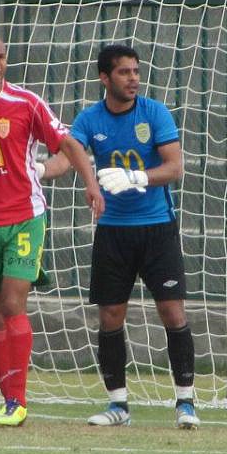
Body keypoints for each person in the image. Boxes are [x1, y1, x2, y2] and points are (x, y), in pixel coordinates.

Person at [0, 34, 104, 427]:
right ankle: (7, 397)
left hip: (24, 216)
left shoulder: (26, 103)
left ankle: (18, 400)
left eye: (1, 56)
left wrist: (90, 183)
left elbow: (69, 143)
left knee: (13, 303)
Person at [42, 43, 200, 429]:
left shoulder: (154, 113)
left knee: (172, 310)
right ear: (104, 78)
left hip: (156, 227)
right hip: (113, 231)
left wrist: (138, 177)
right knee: (110, 315)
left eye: (136, 71)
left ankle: (185, 402)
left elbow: (175, 167)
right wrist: (38, 170)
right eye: (124, 72)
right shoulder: (90, 119)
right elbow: (67, 156)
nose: (133, 78)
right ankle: (118, 406)